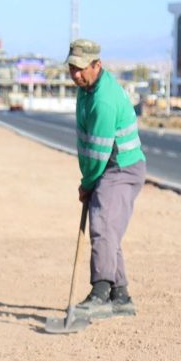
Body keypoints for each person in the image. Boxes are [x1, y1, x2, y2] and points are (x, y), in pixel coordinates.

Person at [66, 39, 146, 320]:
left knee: (101, 225)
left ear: (96, 65)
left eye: (80, 69)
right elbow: (87, 147)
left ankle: (100, 293)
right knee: (109, 230)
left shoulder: (103, 99)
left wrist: (88, 184)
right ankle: (120, 296)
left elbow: (99, 152)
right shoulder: (87, 89)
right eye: (71, 68)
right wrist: (87, 180)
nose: (75, 74)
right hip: (107, 167)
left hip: (121, 167)